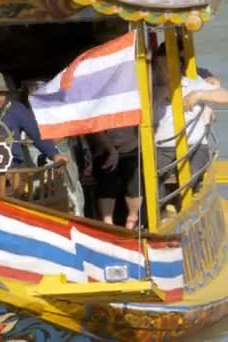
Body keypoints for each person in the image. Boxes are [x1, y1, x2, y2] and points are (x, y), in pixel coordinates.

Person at [152, 43, 228, 204]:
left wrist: (199, 95)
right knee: (150, 175)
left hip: (194, 144)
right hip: (161, 146)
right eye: (160, 65)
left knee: (192, 173)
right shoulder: (152, 88)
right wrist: (163, 92)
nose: (164, 69)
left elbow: (224, 96)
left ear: (179, 65)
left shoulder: (193, 83)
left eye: (167, 64)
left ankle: (182, 206)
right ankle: (161, 209)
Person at [91, 127, 141, 229]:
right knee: (107, 180)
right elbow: (95, 128)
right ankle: (107, 222)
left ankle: (132, 219)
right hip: (105, 148)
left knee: (134, 182)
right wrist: (111, 150)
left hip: (131, 148)